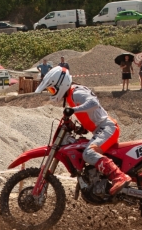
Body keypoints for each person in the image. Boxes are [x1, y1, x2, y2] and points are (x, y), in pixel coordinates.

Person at [35, 66, 130, 194]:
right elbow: (90, 115)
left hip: (106, 128)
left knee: (88, 153)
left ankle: (119, 177)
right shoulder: (71, 95)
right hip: (102, 129)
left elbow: (94, 103)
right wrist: (80, 129)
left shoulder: (76, 93)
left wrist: (73, 110)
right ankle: (141, 176)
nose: (52, 93)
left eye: (52, 89)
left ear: (61, 84)